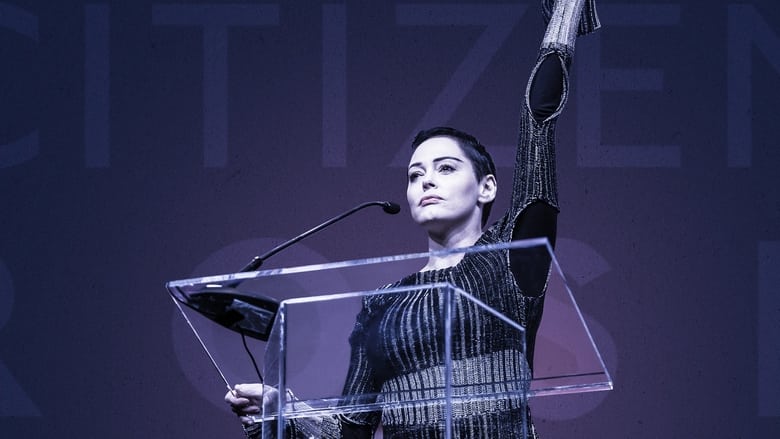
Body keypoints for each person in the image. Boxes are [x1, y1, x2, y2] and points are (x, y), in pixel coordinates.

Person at [226, 0, 600, 437]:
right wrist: (282, 410)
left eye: (446, 168)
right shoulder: (382, 303)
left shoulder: (511, 261)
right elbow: (351, 430)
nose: (427, 181)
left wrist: (566, 12)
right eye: (415, 175)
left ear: (486, 188)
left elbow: (538, 118)